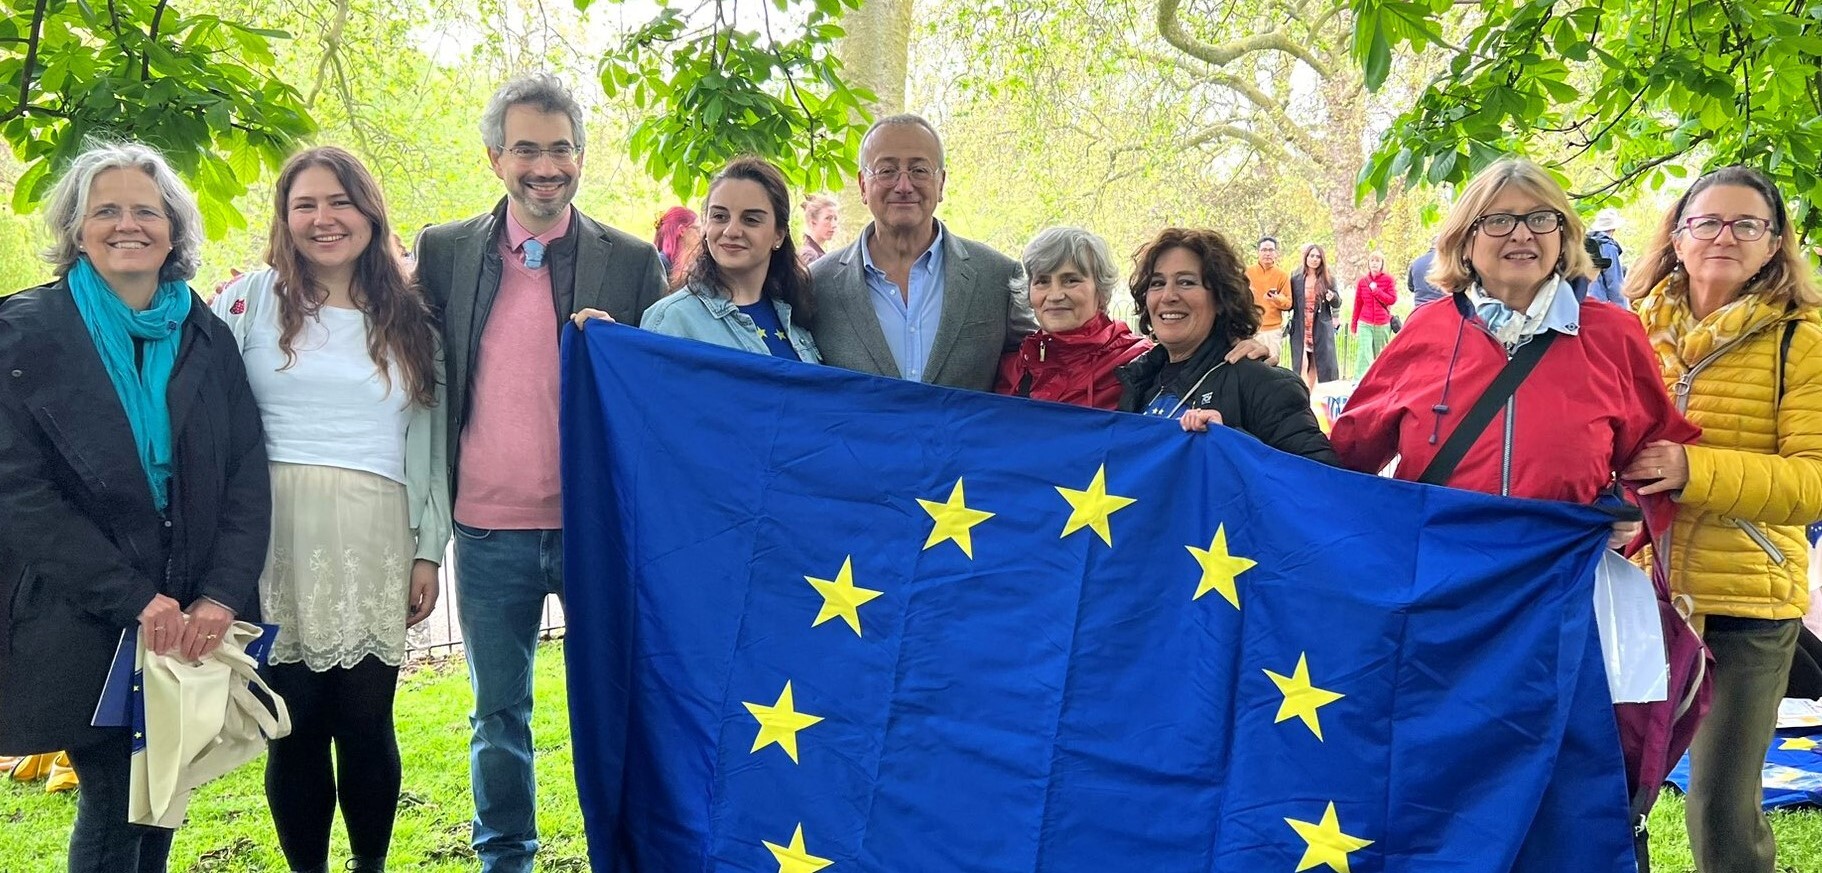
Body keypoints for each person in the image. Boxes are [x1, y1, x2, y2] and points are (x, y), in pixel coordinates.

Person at [1328, 158, 1698, 868]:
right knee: (1440, 777)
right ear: (1465, 242)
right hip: (1442, 610)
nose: (1520, 233)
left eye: (1540, 218)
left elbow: (1659, 461)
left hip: (1557, 612)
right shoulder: (1425, 334)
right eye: (1497, 219)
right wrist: (1247, 403)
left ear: (1566, 236)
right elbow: (1342, 460)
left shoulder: (1612, 334)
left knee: (1556, 783)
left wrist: (1629, 509)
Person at [412, 73, 668, 873]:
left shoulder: (629, 261)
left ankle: (627, 851)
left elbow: (658, 395)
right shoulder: (444, 251)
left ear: (582, 157)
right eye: (526, 148)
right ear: (495, 158)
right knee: (498, 713)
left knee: (624, 708)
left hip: (599, 531)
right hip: (488, 531)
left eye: (560, 148)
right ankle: (506, 858)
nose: (545, 165)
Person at [0, 141, 270, 872]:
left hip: (187, 612)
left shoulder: (205, 335)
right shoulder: (25, 329)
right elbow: (18, 491)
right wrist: (132, 597)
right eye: (107, 210)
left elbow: (247, 473)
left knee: (162, 791)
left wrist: (218, 593)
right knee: (120, 795)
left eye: (146, 211)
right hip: (82, 610)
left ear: (174, 229)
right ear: (76, 228)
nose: (129, 224)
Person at [210, 146, 449, 873]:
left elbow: (431, 445)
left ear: (370, 213)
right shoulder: (247, 302)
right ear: (284, 217)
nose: (324, 218)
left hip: (374, 530)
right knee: (295, 722)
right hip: (271, 531)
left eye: (340, 202)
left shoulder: (411, 321)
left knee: (366, 719)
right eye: (306, 204)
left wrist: (426, 548)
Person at [1618, 165, 1822, 873]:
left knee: (1719, 806)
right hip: (1640, 591)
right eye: (1707, 222)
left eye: (1747, 224)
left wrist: (1692, 471)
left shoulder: (1804, 338)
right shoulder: (1629, 326)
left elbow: (1814, 482)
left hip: (1749, 598)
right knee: (1614, 784)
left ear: (1774, 245)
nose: (1724, 237)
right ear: (1677, 236)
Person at [808, 113, 1037, 390]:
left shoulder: (998, 277)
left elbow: (1036, 377)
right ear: (862, 186)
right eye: (887, 171)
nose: (903, 186)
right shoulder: (816, 284)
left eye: (919, 170)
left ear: (940, 183)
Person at [1114, 227, 1337, 464]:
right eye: (1157, 283)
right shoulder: (1137, 380)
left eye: (1186, 282)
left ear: (1221, 299)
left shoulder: (1263, 383)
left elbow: (1323, 480)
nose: (1168, 295)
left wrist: (1232, 442)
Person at [622, 157, 821, 360]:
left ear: (778, 234)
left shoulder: (795, 313)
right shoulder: (671, 320)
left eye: (750, 220)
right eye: (719, 216)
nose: (731, 230)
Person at [993, 226, 1151, 409]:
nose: (1055, 295)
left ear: (1101, 291)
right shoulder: (1010, 369)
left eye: (1071, 280)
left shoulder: (1139, 363)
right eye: (1042, 281)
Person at [1287, 243, 1342, 386]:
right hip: (1301, 326)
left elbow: (1337, 303)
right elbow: (1290, 302)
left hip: (1319, 327)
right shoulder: (1296, 278)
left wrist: (1332, 298)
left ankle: (1308, 397)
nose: (1314, 259)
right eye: (1312, 256)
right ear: (1306, 257)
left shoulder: (1328, 279)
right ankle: (1302, 392)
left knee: (1314, 363)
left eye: (1318, 256)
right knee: (1301, 363)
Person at [1243, 236, 1293, 366]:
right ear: (1258, 252)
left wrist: (1276, 298)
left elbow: (1288, 303)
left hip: (1273, 329)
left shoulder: (1282, 275)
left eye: (1271, 250)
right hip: (1252, 327)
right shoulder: (1247, 273)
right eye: (1264, 250)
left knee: (1272, 365)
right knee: (1251, 365)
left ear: (1276, 253)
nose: (1267, 253)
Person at [1350, 253, 1397, 374]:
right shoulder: (1362, 282)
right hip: (1365, 322)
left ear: (1382, 263)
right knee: (1364, 353)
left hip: (1382, 323)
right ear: (1368, 263)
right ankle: (1360, 382)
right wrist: (1354, 326)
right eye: (1372, 260)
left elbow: (1392, 299)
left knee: (1380, 354)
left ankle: (1380, 381)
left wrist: (1376, 291)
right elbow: (1358, 304)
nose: (1374, 263)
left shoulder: (1388, 280)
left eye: (1377, 261)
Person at [1587, 207, 1629, 306]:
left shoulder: (1583, 243)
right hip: (1598, 304)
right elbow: (1614, 284)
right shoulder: (1608, 247)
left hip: (1580, 303)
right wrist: (1622, 311)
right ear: (1613, 229)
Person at [653, 205, 699, 287]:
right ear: (682, 230)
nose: (702, 236)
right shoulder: (660, 264)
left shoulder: (690, 264)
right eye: (698, 229)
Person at [799, 193, 838, 266]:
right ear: (813, 222)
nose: (833, 225)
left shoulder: (817, 253)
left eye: (835, 219)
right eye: (828, 218)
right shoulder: (809, 255)